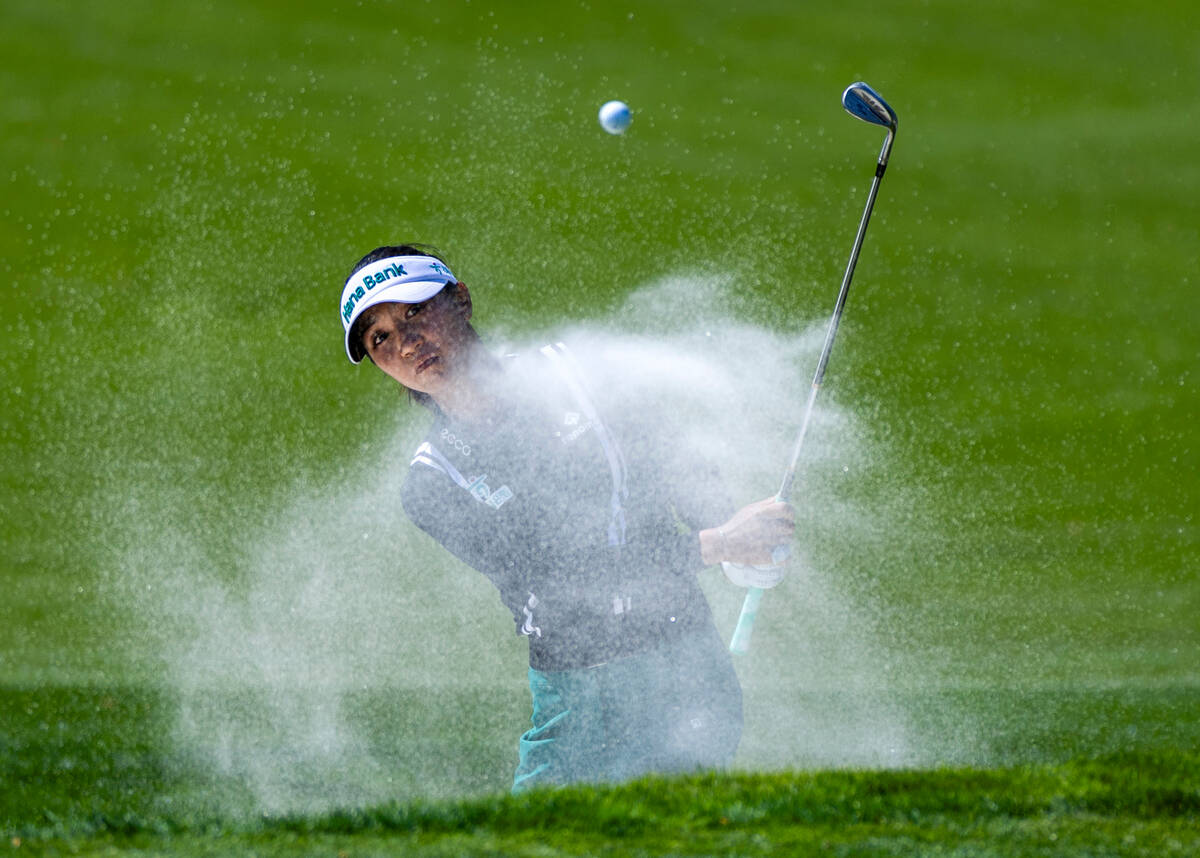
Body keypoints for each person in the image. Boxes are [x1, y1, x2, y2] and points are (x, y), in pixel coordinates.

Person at [339, 244, 794, 791]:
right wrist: (715, 545)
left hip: (688, 669)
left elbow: (672, 458)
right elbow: (560, 581)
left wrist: (742, 540)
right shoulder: (433, 482)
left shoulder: (574, 372)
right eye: (379, 338)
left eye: (414, 311)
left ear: (459, 299)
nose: (406, 343)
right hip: (575, 698)